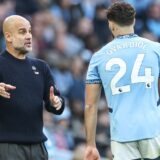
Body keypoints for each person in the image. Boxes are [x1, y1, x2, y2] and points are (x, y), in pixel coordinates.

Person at [84, 2, 160, 160]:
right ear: (133, 21)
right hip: (153, 130)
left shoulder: (99, 57)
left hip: (122, 134)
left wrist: (90, 144)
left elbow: (91, 105)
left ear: (110, 24)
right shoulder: (155, 49)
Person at [0, 15, 65, 160]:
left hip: (38, 147)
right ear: (8, 37)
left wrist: (57, 102)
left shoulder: (41, 67)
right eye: (22, 32)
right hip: (7, 147)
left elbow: (56, 103)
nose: (29, 36)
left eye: (30, 31)